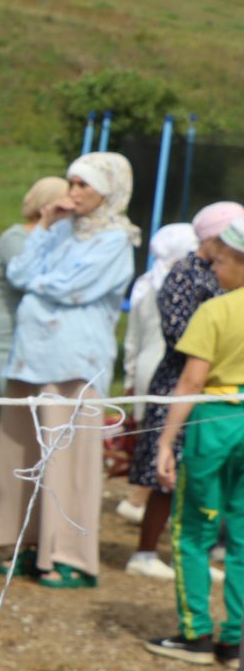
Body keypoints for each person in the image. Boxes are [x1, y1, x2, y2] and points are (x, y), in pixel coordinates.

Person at [0, 152, 140, 589]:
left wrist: (39, 281)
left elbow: (72, 289)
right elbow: (20, 271)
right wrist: (46, 226)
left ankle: (69, 554)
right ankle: (29, 543)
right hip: (32, 359)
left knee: (68, 461)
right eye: (71, 183)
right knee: (27, 454)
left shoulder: (115, 241)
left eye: (83, 185)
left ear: (107, 191)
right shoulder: (60, 230)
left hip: (73, 364)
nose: (73, 192)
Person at [125, 201, 244, 578]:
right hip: (185, 386)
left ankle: (199, 557)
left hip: (213, 397)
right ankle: (147, 551)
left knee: (202, 486)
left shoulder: (220, 300)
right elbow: (179, 335)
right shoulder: (186, 273)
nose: (217, 267)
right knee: (169, 478)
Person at [149, 219, 244, 666]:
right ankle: (236, 638)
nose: (217, 269)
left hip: (214, 421)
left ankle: (197, 633)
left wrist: (166, 441)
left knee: (192, 529)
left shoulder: (216, 312)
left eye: (222, 261)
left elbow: (191, 381)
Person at [0, 176, 73, 527]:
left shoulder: (45, 240)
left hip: (25, 345)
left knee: (7, 434)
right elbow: (32, 278)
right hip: (6, 344)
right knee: (5, 433)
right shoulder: (18, 237)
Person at [119, 221, 199, 553]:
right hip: (175, 373)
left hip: (146, 371)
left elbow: (132, 339)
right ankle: (147, 516)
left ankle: (136, 500)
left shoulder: (145, 283)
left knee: (150, 444)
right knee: (170, 454)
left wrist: (128, 377)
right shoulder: (189, 286)